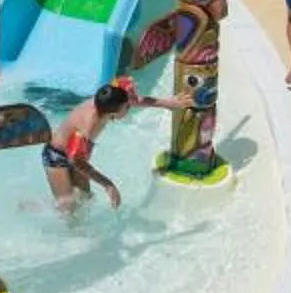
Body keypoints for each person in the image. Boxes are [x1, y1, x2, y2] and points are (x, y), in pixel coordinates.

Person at [45, 76, 191, 215]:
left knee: (85, 199)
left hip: (76, 153)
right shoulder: (89, 126)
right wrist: (108, 185)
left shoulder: (108, 100)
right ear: (112, 112)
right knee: (67, 208)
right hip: (56, 156)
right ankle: (36, 208)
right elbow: (75, 161)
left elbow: (135, 100)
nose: (130, 108)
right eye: (126, 108)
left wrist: (168, 104)